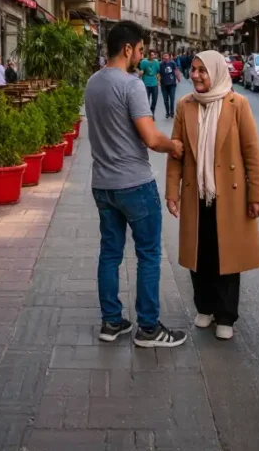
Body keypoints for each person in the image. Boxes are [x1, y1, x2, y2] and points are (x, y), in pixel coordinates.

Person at [85, 21, 188, 348]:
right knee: (148, 254)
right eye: (141, 50)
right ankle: (148, 328)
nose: (142, 56)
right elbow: (149, 137)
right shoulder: (130, 85)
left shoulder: (92, 83)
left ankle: (111, 322)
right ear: (127, 49)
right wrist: (173, 145)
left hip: (102, 184)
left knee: (110, 252)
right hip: (134, 184)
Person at [165, 51, 259, 340]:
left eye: (202, 71)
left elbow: (252, 153)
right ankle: (204, 307)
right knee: (200, 253)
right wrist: (172, 192)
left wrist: (256, 194)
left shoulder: (238, 105)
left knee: (227, 255)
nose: (195, 75)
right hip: (196, 194)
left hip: (230, 196)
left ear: (217, 73)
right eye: (194, 69)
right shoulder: (185, 106)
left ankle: (226, 315)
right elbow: (176, 153)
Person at [138, 49, 161, 119]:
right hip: (146, 84)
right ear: (148, 55)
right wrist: (139, 74)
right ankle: (148, 115)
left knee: (154, 100)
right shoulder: (144, 62)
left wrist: (159, 80)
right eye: (151, 55)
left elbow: (157, 72)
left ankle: (152, 112)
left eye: (154, 55)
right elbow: (141, 71)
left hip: (154, 84)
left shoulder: (156, 62)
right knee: (146, 101)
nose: (153, 56)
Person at [159, 52, 180, 119]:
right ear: (162, 57)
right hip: (164, 84)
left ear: (169, 56)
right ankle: (167, 113)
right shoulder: (160, 64)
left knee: (172, 98)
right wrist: (158, 80)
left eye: (167, 56)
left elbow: (176, 71)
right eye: (164, 56)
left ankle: (172, 112)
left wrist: (178, 78)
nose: (166, 57)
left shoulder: (172, 63)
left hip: (172, 84)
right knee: (165, 100)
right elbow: (158, 73)